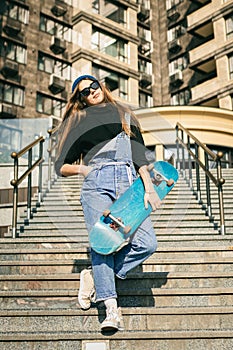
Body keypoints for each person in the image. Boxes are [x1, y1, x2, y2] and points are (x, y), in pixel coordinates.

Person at [55, 74, 160, 332]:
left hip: (127, 182)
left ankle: (95, 275)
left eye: (93, 85)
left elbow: (140, 157)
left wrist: (148, 189)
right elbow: (61, 166)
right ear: (80, 99)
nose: (91, 92)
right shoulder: (79, 122)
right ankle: (111, 309)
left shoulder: (125, 116)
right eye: (84, 92)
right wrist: (84, 171)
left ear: (101, 86)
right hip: (96, 184)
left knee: (147, 243)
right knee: (102, 244)